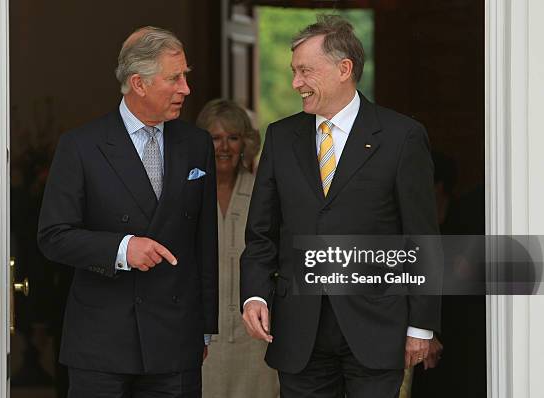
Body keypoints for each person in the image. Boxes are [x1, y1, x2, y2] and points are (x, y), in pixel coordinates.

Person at [240, 15, 441, 398]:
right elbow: (262, 232)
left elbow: (421, 237)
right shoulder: (281, 137)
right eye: (293, 71)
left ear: (344, 69)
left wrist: (421, 326)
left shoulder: (402, 138)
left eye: (305, 71)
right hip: (300, 332)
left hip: (377, 328)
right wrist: (254, 295)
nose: (296, 83)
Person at [37, 26, 218, 398]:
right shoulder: (81, 146)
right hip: (102, 344)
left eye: (186, 76)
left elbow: (205, 242)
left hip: (175, 341)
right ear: (139, 83)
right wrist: (122, 249)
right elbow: (53, 236)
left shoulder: (197, 144)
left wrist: (204, 328)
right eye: (175, 78)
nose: (186, 88)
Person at [196, 99, 279, 398]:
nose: (224, 147)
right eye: (215, 138)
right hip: (201, 339)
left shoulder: (265, 192)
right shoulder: (187, 194)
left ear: (246, 142)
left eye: (233, 137)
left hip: (255, 339)